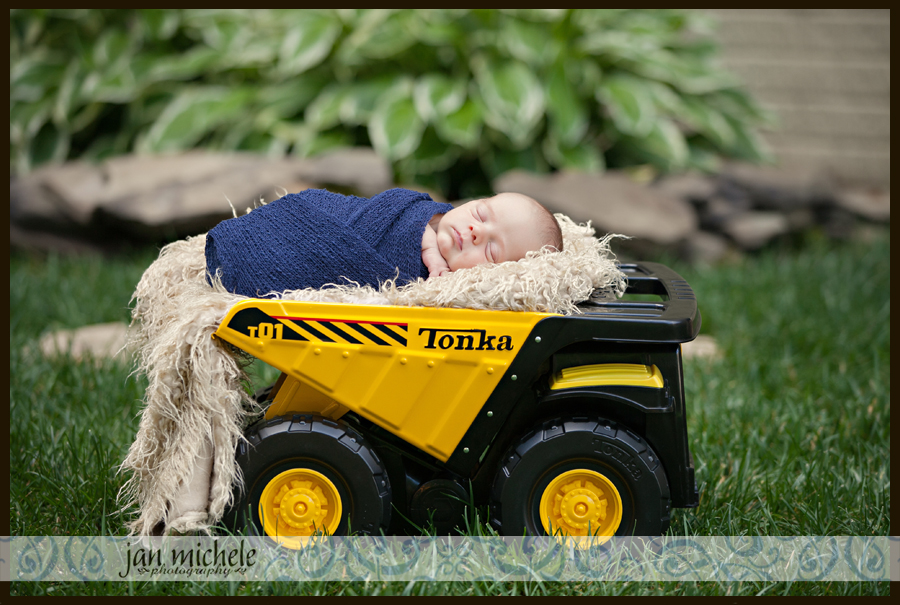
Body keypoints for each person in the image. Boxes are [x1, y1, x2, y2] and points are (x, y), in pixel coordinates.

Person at [205, 187, 562, 297]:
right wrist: (433, 257)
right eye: (482, 214)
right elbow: (416, 225)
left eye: (491, 249)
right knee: (304, 214)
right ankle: (244, 248)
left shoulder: (456, 291)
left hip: (346, 252)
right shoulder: (430, 217)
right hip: (321, 218)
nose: (475, 231)